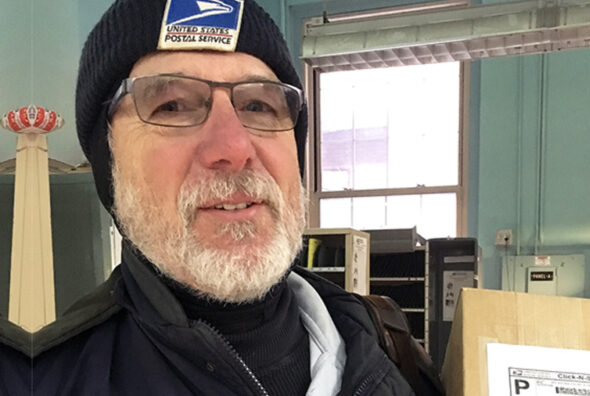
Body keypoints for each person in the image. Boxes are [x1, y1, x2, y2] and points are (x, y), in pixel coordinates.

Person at [32, 0, 414, 394]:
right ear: (107, 159)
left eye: (258, 105)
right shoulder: (52, 379)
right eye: (172, 106)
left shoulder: (384, 345)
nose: (233, 147)